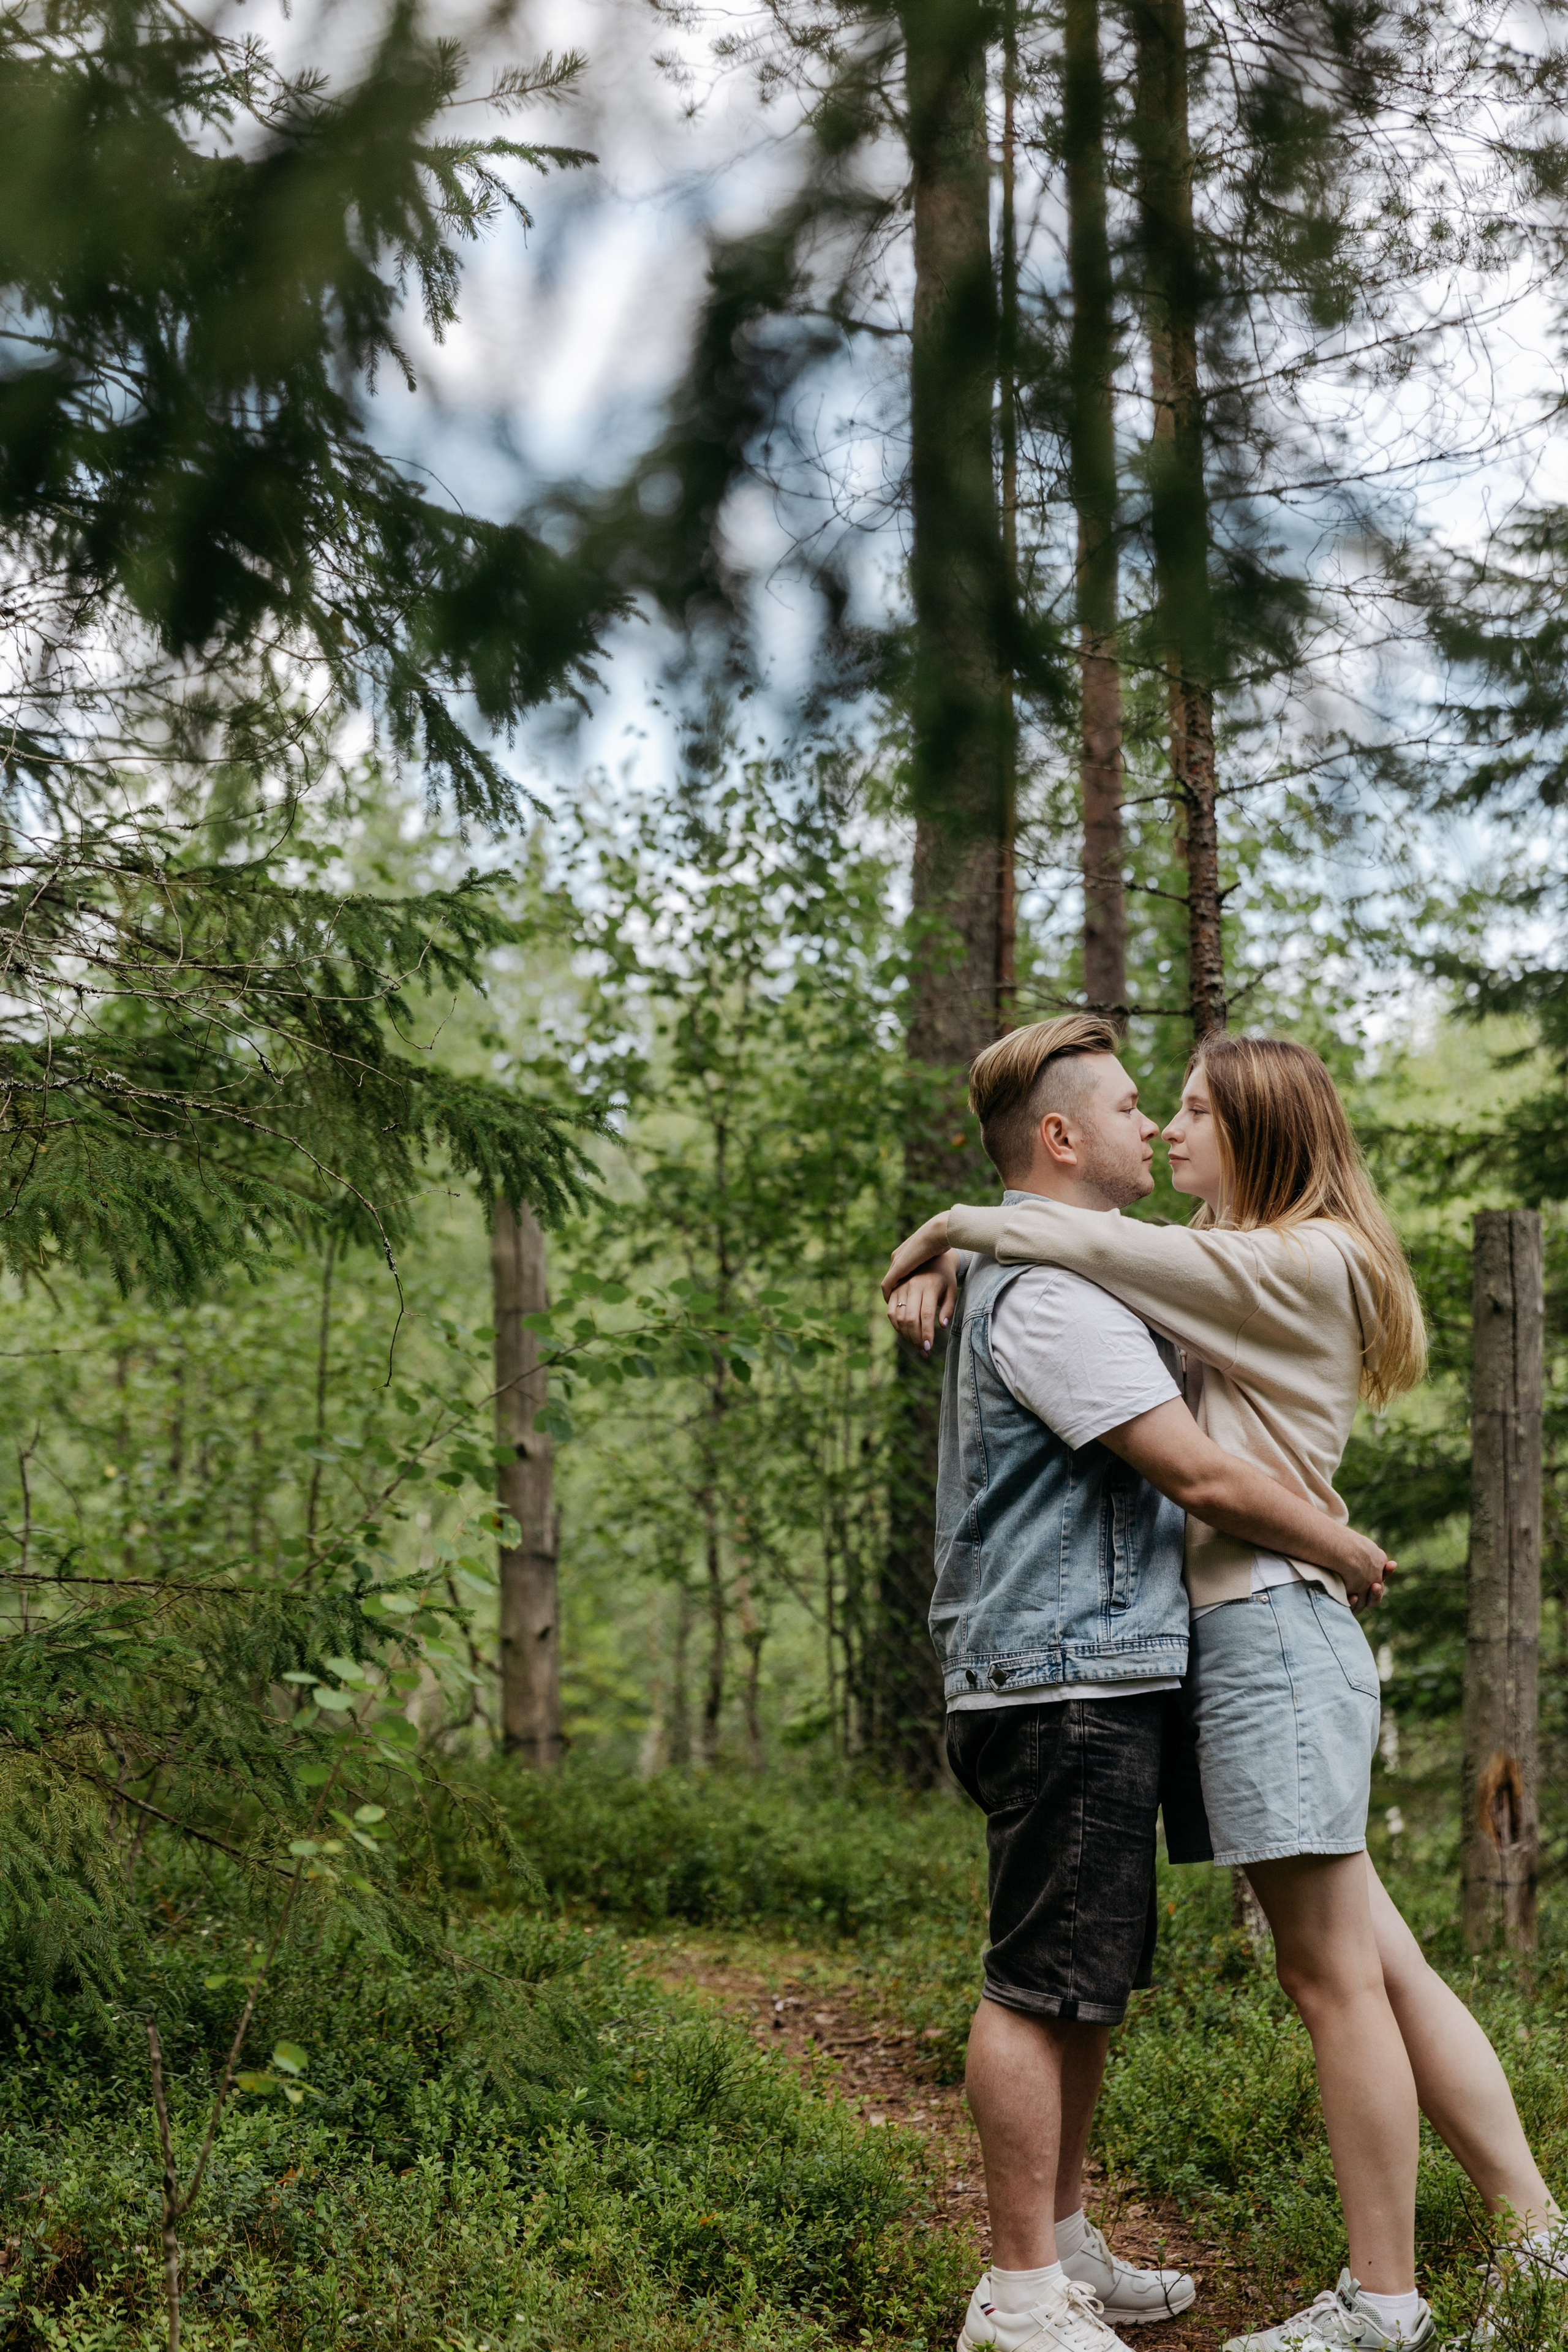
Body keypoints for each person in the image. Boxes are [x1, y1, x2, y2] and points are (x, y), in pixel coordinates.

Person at [886, 1031, 1563, 2352]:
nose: (1167, 1128)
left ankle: (1381, 2301)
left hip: (1269, 1627)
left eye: (1190, 1109)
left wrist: (952, 1229)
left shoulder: (1293, 1263)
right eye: (1153, 1108)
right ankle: (1535, 2236)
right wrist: (962, 1257)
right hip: (1243, 1635)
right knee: (1381, 1962)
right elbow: (1084, 1263)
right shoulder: (1220, 1277)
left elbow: (1098, 1262)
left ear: (1256, 1135)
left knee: (1330, 1979)